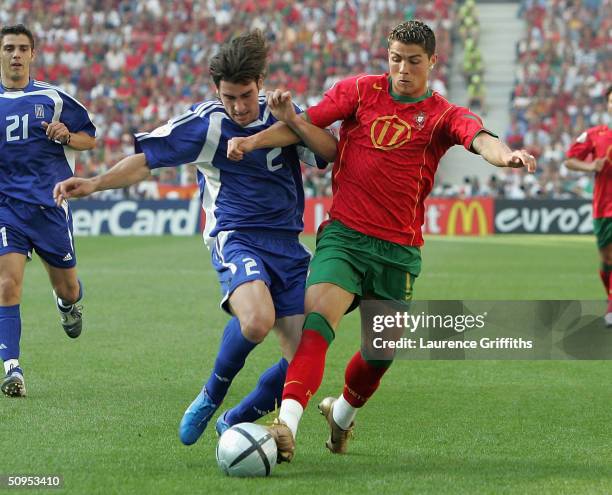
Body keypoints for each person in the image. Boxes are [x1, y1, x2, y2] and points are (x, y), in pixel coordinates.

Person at [227, 20, 537, 463]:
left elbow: (479, 137)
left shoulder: (443, 115)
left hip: (398, 250)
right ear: (386, 56)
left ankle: (342, 415)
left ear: (432, 61)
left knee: (380, 353)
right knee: (317, 322)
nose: (403, 69)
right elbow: (304, 124)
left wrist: (505, 155)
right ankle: (286, 424)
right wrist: (252, 141)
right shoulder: (358, 91)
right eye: (396, 59)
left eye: (414, 61)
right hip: (345, 238)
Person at [53, 31, 337, 444]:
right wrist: (95, 183)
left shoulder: (285, 113)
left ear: (261, 82)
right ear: (216, 92)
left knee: (302, 357)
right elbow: (146, 161)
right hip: (236, 235)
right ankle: (211, 395)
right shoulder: (206, 122)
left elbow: (327, 154)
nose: (238, 106)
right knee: (257, 321)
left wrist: (293, 118)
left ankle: (235, 418)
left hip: (289, 245)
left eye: (245, 95)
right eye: (229, 97)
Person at [0, 24, 96, 397]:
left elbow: (90, 137)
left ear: (33, 54)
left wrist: (67, 136)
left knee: (68, 287)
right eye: (9, 48)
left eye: (23, 48)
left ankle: (68, 303)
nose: (16, 55)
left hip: (51, 206)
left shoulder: (54, 98)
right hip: (7, 208)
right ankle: (12, 368)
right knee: (7, 284)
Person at [565, 85, 612, 327]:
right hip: (603, 208)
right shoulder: (595, 135)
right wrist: (591, 167)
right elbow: (570, 161)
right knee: (606, 260)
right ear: (608, 105)